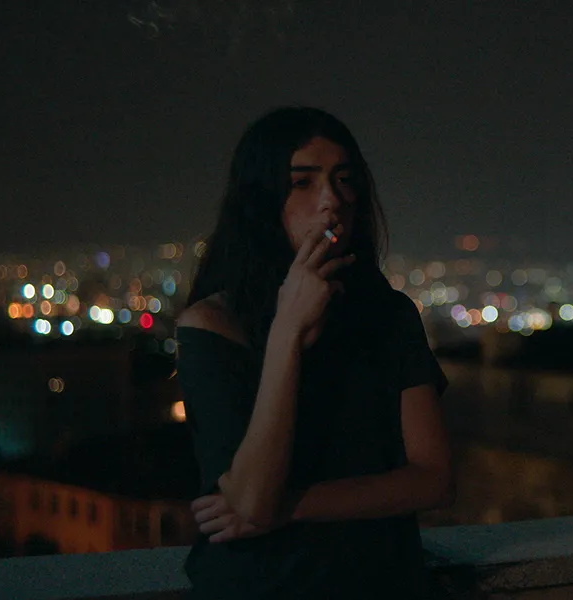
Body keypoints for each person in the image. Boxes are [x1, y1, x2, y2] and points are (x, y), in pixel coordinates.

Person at [175, 107, 453, 598]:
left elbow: (431, 479)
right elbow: (254, 496)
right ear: (261, 199)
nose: (331, 202)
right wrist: (287, 334)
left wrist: (292, 505)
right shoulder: (212, 326)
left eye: (344, 180)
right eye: (302, 182)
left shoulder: (388, 317)